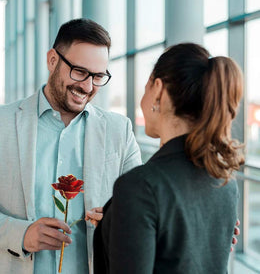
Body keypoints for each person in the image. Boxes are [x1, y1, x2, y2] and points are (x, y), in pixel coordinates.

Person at [0, 18, 142, 274]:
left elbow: (139, 209)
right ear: (52, 60)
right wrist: (21, 234)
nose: (88, 86)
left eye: (98, 76)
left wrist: (116, 219)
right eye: (80, 72)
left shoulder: (119, 130)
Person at [93, 43, 244, 274]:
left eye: (145, 88)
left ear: (158, 90)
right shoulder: (225, 181)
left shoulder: (140, 186)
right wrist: (119, 218)